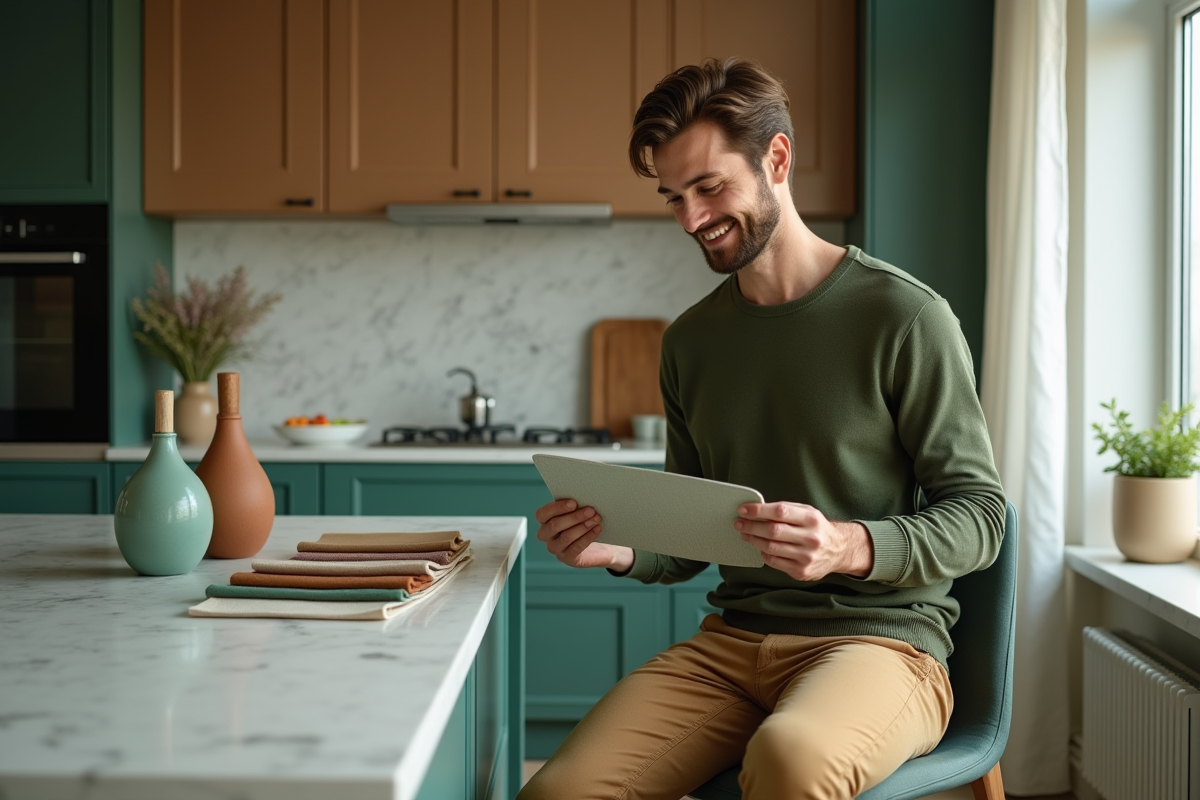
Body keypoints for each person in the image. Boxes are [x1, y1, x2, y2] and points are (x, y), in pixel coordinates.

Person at [518, 58, 1005, 800]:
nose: (690, 219)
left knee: (790, 761)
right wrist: (617, 547)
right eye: (673, 196)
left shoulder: (905, 318)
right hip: (731, 650)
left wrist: (847, 543)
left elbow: (981, 518)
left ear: (777, 158)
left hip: (880, 646)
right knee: (561, 790)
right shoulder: (691, 341)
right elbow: (691, 534)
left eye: (709, 187)